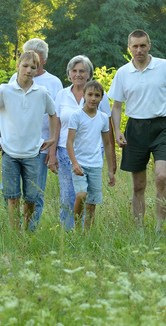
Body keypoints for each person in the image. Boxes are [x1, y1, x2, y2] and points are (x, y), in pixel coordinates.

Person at [108, 29, 166, 231]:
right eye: (135, 46)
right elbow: (117, 106)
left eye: (143, 46)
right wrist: (118, 130)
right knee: (138, 185)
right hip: (135, 129)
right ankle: (139, 230)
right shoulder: (122, 73)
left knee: (161, 176)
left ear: (149, 46)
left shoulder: (163, 66)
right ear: (129, 48)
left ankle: (159, 228)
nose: (139, 50)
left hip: (162, 127)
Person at [0, 50, 60, 230]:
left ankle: (26, 228)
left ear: (37, 69)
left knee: (32, 196)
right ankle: (14, 231)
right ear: (18, 66)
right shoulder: (5, 90)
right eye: (25, 66)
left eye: (33, 67)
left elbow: (53, 113)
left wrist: (51, 138)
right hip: (9, 151)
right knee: (12, 196)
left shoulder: (41, 92)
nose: (28, 70)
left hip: (33, 152)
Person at [49, 55, 116, 231]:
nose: (78, 74)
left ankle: (85, 232)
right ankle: (68, 232)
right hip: (65, 151)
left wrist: (112, 163)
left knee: (87, 196)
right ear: (69, 74)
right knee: (68, 195)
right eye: (74, 71)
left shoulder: (99, 96)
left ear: (89, 74)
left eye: (82, 71)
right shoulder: (62, 95)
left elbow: (107, 131)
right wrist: (52, 154)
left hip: (92, 152)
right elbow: (56, 125)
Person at [7, 38, 62, 229]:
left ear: (44, 60)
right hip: (14, 145)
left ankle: (31, 230)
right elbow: (5, 109)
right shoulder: (14, 79)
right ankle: (15, 230)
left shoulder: (53, 83)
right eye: (26, 59)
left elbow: (57, 117)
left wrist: (53, 151)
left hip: (41, 146)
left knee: (35, 192)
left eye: (35, 60)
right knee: (13, 191)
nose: (30, 66)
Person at [66, 80, 116, 229]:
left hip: (96, 164)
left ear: (101, 98)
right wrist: (74, 163)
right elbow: (69, 141)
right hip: (80, 163)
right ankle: (77, 228)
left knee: (92, 203)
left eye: (97, 95)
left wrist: (110, 168)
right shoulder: (76, 116)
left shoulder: (102, 118)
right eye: (90, 95)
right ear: (84, 96)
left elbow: (107, 143)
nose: (93, 98)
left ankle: (88, 234)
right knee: (81, 196)